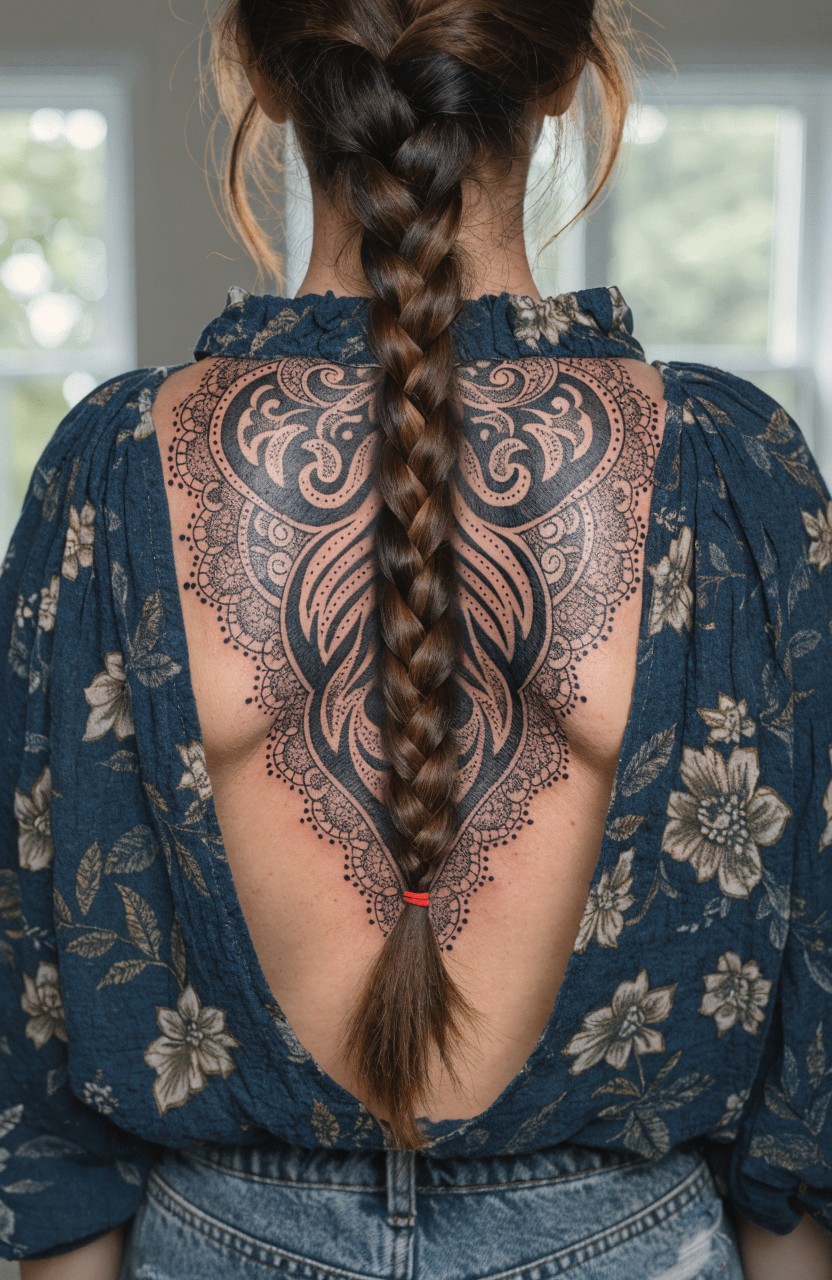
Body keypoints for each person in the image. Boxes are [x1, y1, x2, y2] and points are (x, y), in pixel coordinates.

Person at [1, 0, 831, 1276]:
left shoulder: (115, 471)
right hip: (623, 1239)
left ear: (265, 80)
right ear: (563, 79)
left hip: (221, 1237)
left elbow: (39, 1047)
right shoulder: (731, 468)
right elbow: (809, 1058)